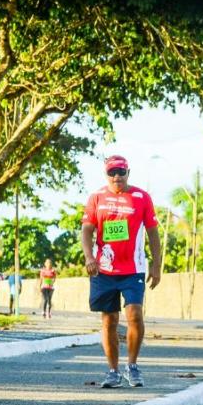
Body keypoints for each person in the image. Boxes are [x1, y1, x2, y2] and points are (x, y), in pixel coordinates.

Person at [81, 155, 162, 388]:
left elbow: (153, 232)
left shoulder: (141, 197)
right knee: (109, 320)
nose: (117, 176)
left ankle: (132, 366)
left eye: (121, 172)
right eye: (112, 172)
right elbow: (86, 231)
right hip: (104, 269)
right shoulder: (96, 198)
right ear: (106, 174)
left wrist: (156, 265)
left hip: (133, 268)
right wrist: (89, 258)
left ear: (128, 173)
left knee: (135, 314)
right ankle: (113, 371)